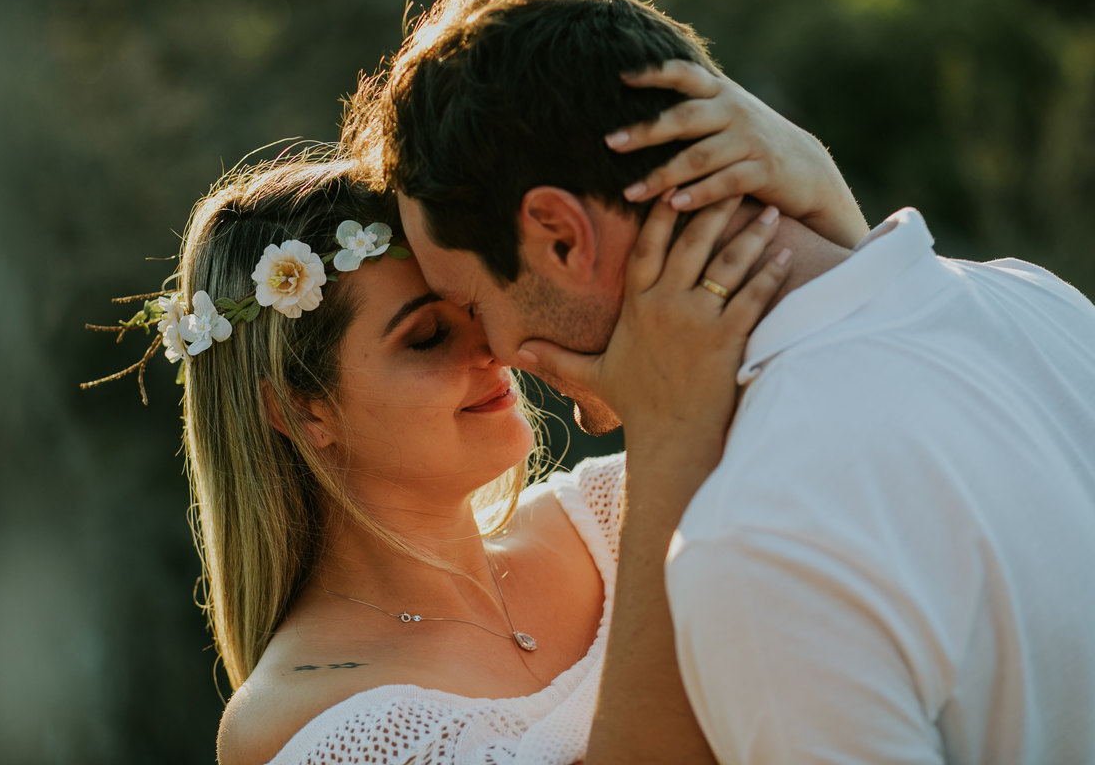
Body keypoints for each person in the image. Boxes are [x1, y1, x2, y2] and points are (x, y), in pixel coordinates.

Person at [364, 0, 1095, 764]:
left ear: (561, 238)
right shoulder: (1043, 304)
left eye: (471, 302)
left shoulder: (754, 545)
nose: (491, 350)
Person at [86, 148, 791, 765]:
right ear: (303, 409)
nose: (492, 349)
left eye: (476, 310)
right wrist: (672, 432)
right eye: (426, 337)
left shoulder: (611, 510)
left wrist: (806, 181)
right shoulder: (301, 721)